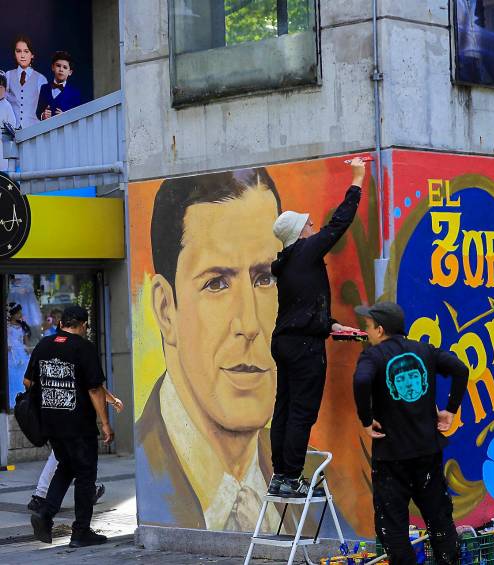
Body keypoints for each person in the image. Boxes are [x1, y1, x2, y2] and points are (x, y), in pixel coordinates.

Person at [137, 168, 291, 531]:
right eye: (217, 283)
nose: (249, 324)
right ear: (165, 309)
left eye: (265, 278)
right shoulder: (150, 467)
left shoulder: (315, 476)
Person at [269, 158, 366, 497]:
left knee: (284, 406)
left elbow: (301, 309)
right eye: (309, 224)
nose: (314, 226)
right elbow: (339, 224)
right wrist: (357, 179)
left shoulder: (289, 264)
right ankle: (292, 478)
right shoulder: (306, 251)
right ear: (300, 234)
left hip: (286, 341)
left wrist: (331, 325)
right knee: (301, 412)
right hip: (304, 347)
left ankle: (281, 474)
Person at [352, 301, 468, 565]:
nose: (366, 332)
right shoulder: (423, 350)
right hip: (427, 452)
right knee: (439, 521)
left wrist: (366, 419)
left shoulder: (374, 355)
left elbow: (361, 380)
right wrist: (450, 410)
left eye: (368, 327)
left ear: (380, 330)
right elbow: (460, 369)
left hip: (391, 458)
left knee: (393, 527)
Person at [23, 305, 113, 548]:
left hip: (51, 424)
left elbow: (27, 381)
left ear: (62, 323)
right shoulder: (84, 348)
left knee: (66, 467)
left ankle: (45, 514)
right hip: (79, 425)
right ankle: (81, 531)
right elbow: (94, 389)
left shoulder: (43, 345)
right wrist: (105, 423)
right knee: (85, 474)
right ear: (82, 324)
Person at [28, 384, 123, 513]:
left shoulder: (42, 363)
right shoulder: (80, 363)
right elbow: (94, 386)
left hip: (52, 415)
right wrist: (107, 417)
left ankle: (44, 499)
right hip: (74, 419)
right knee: (72, 460)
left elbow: (27, 381)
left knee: (63, 458)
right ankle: (45, 501)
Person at [5, 36, 47, 129]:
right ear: (14, 53)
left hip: (34, 129)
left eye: (26, 51)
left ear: (32, 55)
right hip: (12, 130)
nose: (22, 55)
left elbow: (45, 107)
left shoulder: (40, 79)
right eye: (18, 51)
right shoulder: (8, 75)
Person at [36, 51, 82, 121]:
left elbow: (79, 116)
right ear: (53, 67)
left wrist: (66, 117)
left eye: (65, 67)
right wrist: (43, 115)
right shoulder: (44, 88)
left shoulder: (75, 93)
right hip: (47, 130)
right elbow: (38, 112)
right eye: (58, 66)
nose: (61, 69)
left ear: (70, 72)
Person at [7, 302, 31, 402]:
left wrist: (28, 350)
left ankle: (23, 399)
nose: (20, 315)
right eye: (17, 313)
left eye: (20, 313)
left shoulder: (22, 327)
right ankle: (12, 400)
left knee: (22, 375)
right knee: (12, 375)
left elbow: (26, 342)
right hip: (11, 354)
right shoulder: (7, 326)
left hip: (21, 352)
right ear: (11, 314)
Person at [0, 72, 17, 171]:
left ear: (5, 89)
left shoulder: (7, 106)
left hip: (2, 146)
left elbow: (12, 126)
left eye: (0, 87)